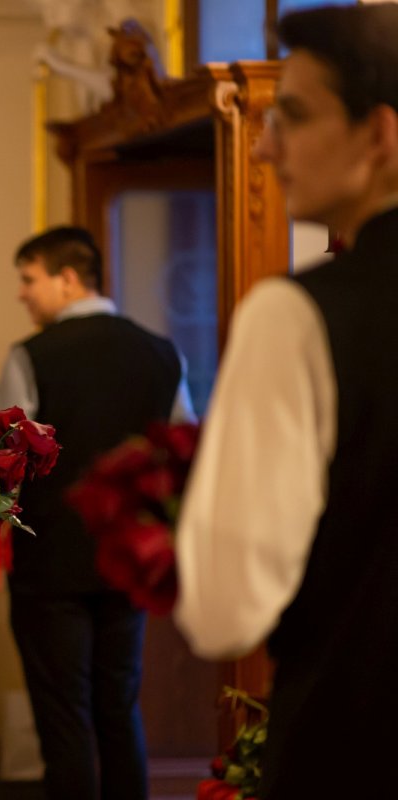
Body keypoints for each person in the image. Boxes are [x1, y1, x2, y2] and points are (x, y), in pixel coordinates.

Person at [174, 5, 398, 796]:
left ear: (381, 136)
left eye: (294, 117)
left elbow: (226, 609)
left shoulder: (297, 315)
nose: (266, 146)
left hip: (356, 745)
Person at [0, 226, 194, 800]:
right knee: (118, 703)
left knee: (63, 714)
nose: (22, 295)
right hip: (129, 561)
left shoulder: (32, 355)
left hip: (49, 565)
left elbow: (4, 461)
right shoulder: (162, 353)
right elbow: (182, 452)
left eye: (29, 280)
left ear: (68, 279)